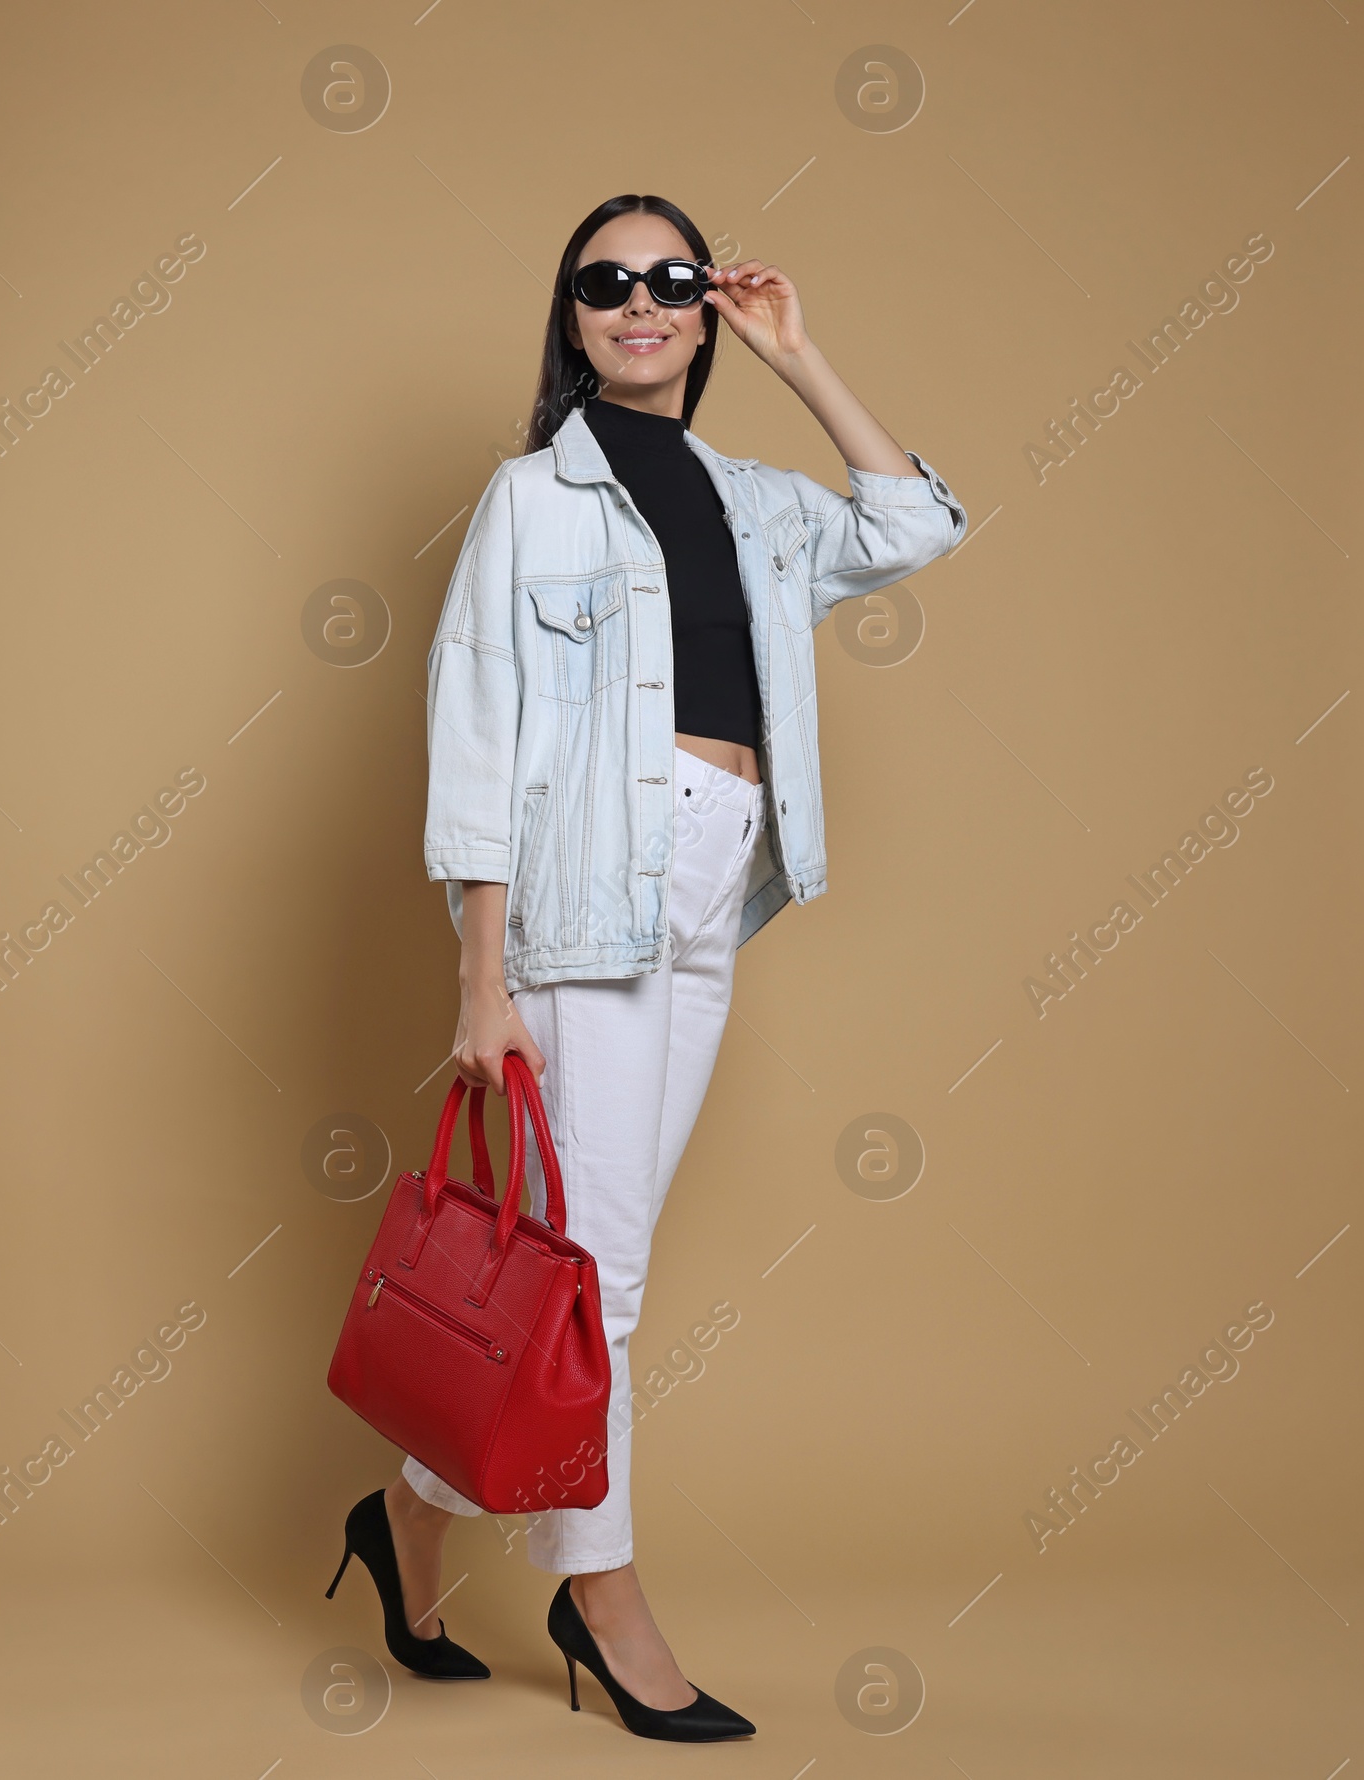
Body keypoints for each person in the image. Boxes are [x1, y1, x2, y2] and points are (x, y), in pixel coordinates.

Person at [331, 192, 967, 1742]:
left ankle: (410, 1517)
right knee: (597, 1280)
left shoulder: (753, 499)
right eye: (604, 282)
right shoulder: (530, 500)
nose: (639, 302)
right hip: (578, 903)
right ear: (571, 318)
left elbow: (912, 523)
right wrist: (482, 980)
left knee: (575, 1272)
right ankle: (601, 1595)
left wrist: (803, 358)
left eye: (669, 280)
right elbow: (475, 741)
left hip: (711, 888)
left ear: (704, 308)